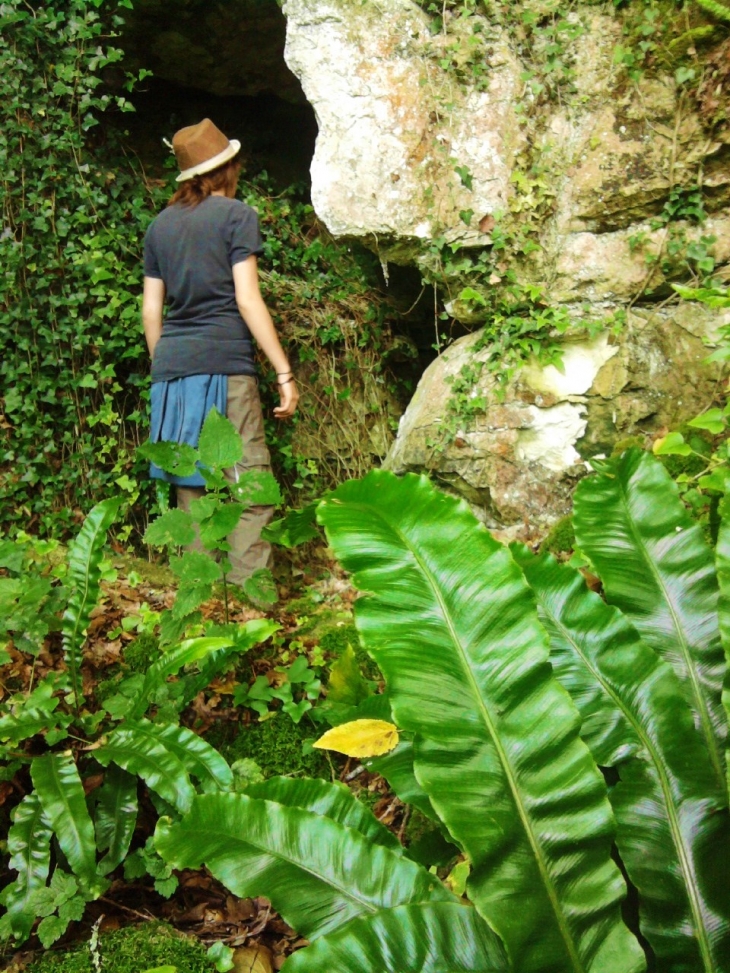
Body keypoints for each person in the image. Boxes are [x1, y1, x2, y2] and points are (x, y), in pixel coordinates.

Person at [142, 118, 298, 584]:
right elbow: (248, 299)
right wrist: (284, 373)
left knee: (194, 487)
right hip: (224, 363)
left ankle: (203, 606)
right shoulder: (236, 216)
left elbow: (153, 311)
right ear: (226, 169)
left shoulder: (159, 227)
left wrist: (164, 366)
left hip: (172, 367)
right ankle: (249, 603)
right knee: (250, 487)